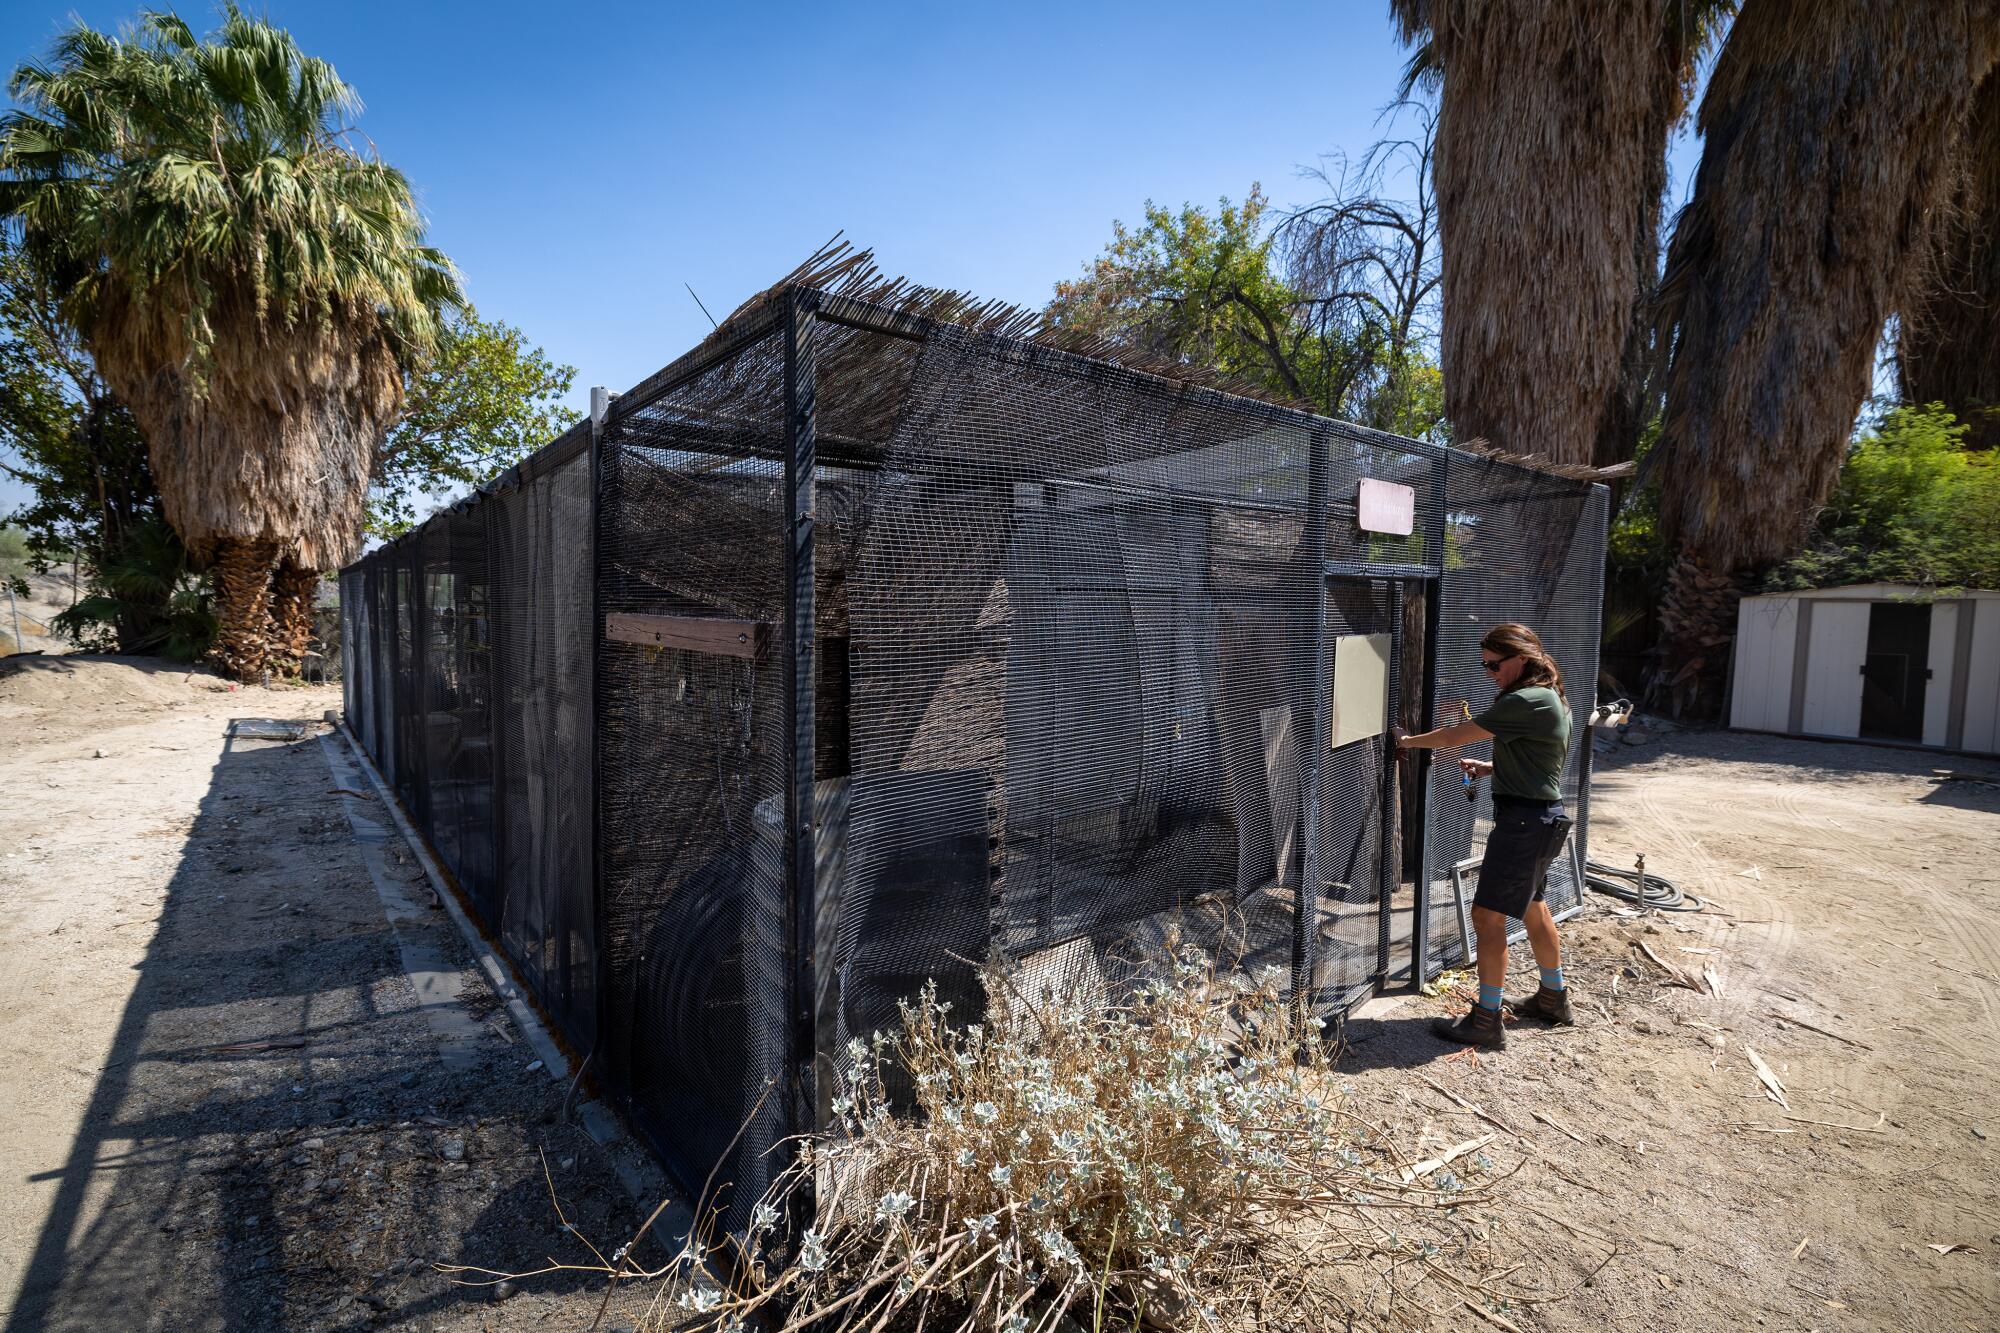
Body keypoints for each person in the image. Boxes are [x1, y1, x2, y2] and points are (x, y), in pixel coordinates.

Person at [1396, 623, 1575, 1050]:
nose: (1490, 673)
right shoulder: (1551, 697)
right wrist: (1495, 769)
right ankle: (1553, 999)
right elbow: (1542, 760)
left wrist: (1407, 740)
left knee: (1488, 918)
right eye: (1484, 666)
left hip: (1523, 827)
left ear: (1522, 659)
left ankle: (1486, 1019)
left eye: (1495, 664)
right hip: (1542, 819)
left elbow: (1457, 734)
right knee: (1534, 910)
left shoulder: (1526, 698)